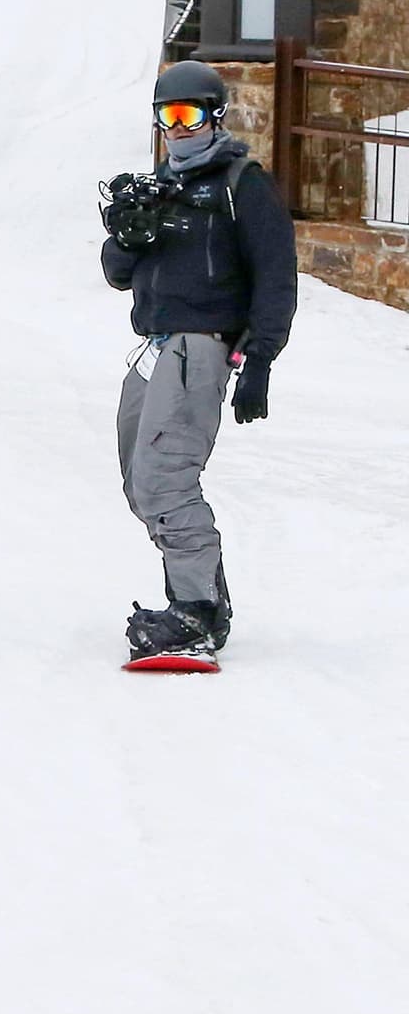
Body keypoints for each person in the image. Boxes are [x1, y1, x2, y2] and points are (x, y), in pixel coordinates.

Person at [100, 61, 297, 663]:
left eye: (189, 115)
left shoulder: (242, 184)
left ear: (215, 116)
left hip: (199, 345)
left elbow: (276, 275)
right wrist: (129, 237)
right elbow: (116, 274)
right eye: (168, 116)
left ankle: (197, 614)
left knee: (166, 478)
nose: (178, 129)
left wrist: (259, 359)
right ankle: (202, 592)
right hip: (155, 348)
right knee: (140, 481)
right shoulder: (163, 185)